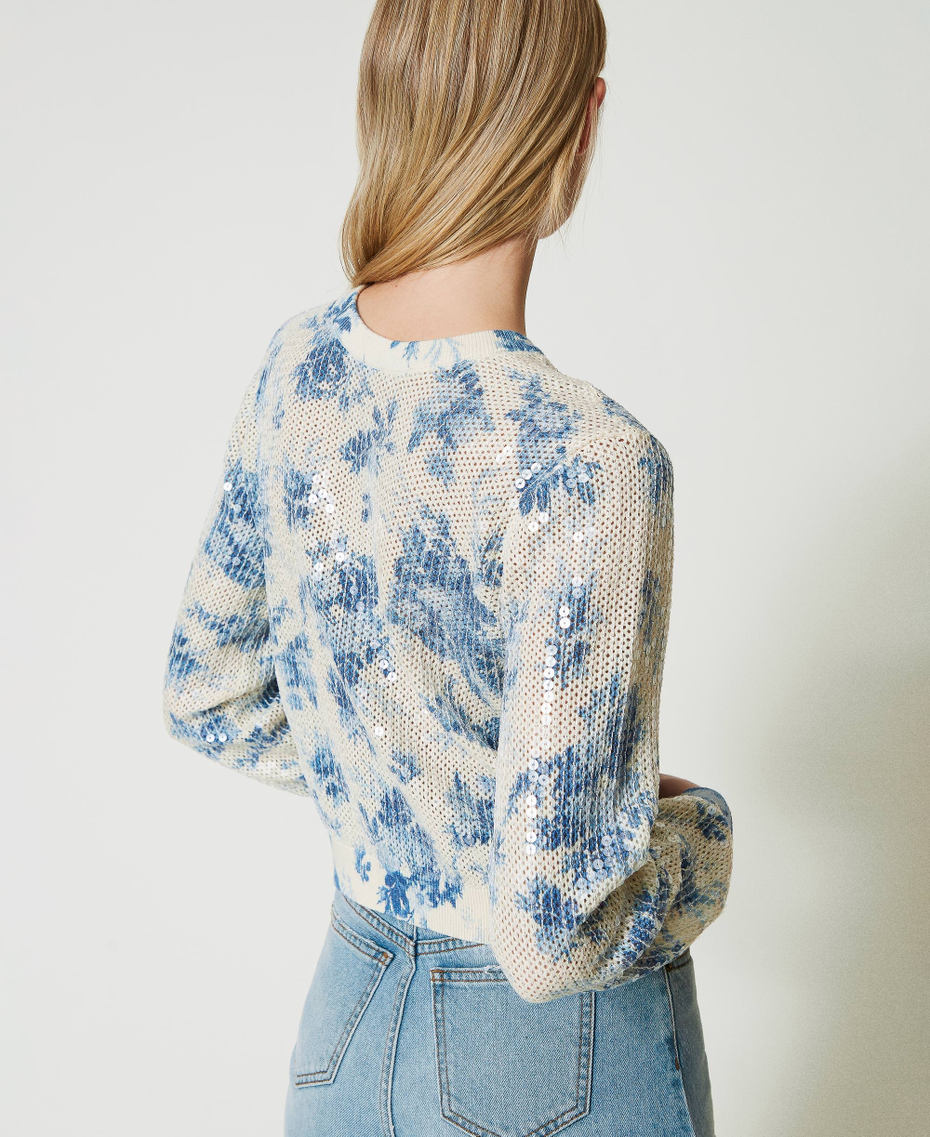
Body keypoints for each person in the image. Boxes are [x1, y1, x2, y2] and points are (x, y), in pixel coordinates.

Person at [161, 2, 734, 1134]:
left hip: (347, 1022)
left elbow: (205, 692)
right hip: (550, 1068)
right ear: (581, 124)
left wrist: (418, 796)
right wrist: (701, 840)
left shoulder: (297, 372)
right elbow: (548, 934)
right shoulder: (589, 462)